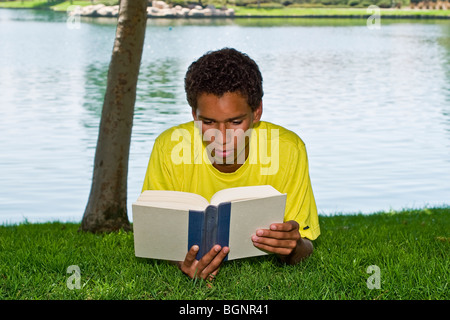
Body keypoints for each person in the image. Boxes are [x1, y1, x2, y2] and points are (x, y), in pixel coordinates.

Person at [141, 48, 320, 281]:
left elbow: (305, 247)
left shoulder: (288, 149)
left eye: (235, 122)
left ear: (256, 113)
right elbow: (156, 234)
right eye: (208, 122)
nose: (221, 136)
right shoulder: (168, 147)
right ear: (195, 115)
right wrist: (182, 261)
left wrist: (293, 246)